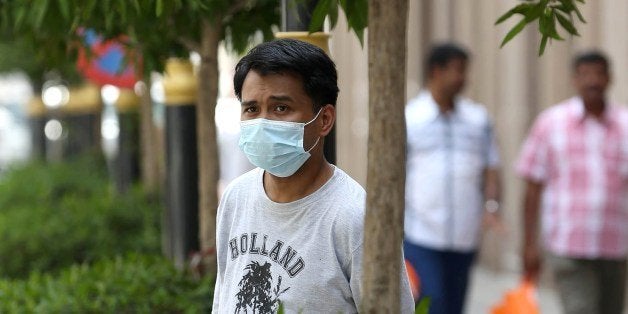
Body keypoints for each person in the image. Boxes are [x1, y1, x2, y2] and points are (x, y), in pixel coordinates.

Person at [212, 38, 415, 313]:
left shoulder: (355, 216)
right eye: (251, 109)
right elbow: (224, 294)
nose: (263, 122)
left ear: (324, 120)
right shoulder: (236, 197)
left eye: (281, 108)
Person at [516, 51, 627, 314]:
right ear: (574, 79)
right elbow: (532, 186)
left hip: (615, 244)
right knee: (581, 309)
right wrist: (529, 243)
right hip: (568, 245)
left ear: (610, 78)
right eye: (586, 74)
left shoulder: (624, 124)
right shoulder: (551, 123)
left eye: (599, 74)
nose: (593, 81)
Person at [403, 43, 502, 314]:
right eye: (457, 71)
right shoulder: (411, 118)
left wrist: (492, 206)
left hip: (464, 235)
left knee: (456, 305)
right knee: (433, 302)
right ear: (436, 71)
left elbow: (491, 167)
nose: (463, 79)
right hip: (421, 233)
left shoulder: (478, 119)